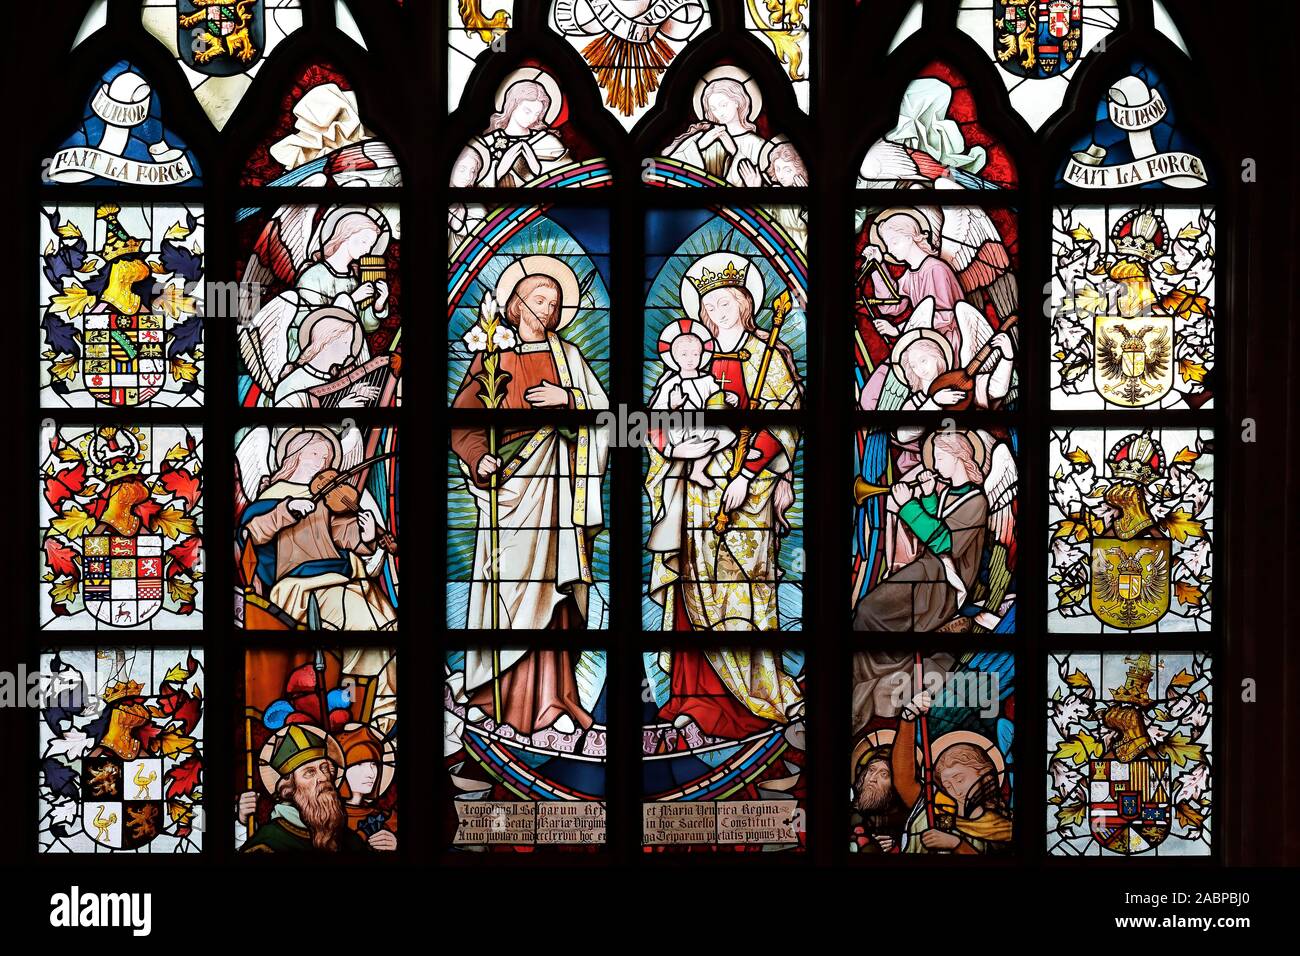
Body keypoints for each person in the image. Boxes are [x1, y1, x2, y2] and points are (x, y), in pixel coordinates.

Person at [451, 256, 610, 629]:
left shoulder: (569, 357)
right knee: (505, 587)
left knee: (556, 582)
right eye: (540, 300)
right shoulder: (492, 355)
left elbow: (605, 418)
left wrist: (568, 400)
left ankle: (557, 687)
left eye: (554, 304)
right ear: (517, 304)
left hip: (557, 490)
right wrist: (479, 459)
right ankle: (502, 686)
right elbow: (461, 422)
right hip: (507, 486)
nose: (549, 310)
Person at [240, 428, 397, 630]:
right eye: (314, 453)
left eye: (326, 457)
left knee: (389, 623)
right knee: (367, 625)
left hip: (341, 576)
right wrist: (287, 510)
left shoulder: (328, 499)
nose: (321, 462)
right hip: (302, 585)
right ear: (295, 454)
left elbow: (341, 532)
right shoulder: (272, 496)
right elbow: (251, 534)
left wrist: (366, 537)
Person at [852, 431, 988, 631]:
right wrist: (929, 495)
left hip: (946, 583)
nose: (935, 465)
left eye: (939, 458)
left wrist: (907, 505)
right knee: (867, 610)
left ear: (958, 457)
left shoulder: (977, 501)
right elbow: (937, 523)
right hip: (929, 570)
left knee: (869, 611)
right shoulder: (947, 492)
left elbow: (943, 542)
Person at [238, 726, 396, 853]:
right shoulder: (270, 841)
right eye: (309, 772)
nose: (322, 777)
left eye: (325, 768)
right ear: (289, 788)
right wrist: (241, 823)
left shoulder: (349, 839)